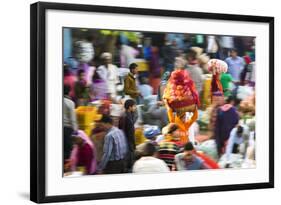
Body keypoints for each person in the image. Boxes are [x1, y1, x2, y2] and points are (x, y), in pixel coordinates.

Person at [119, 99, 138, 171]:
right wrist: (133, 145)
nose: (135, 108)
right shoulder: (127, 117)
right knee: (129, 162)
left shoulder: (126, 114)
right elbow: (129, 132)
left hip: (126, 140)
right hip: (127, 142)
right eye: (134, 106)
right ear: (130, 107)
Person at [64, 84, 78, 161]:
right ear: (69, 92)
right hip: (67, 129)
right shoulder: (70, 103)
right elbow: (73, 119)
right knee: (68, 149)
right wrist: (76, 130)